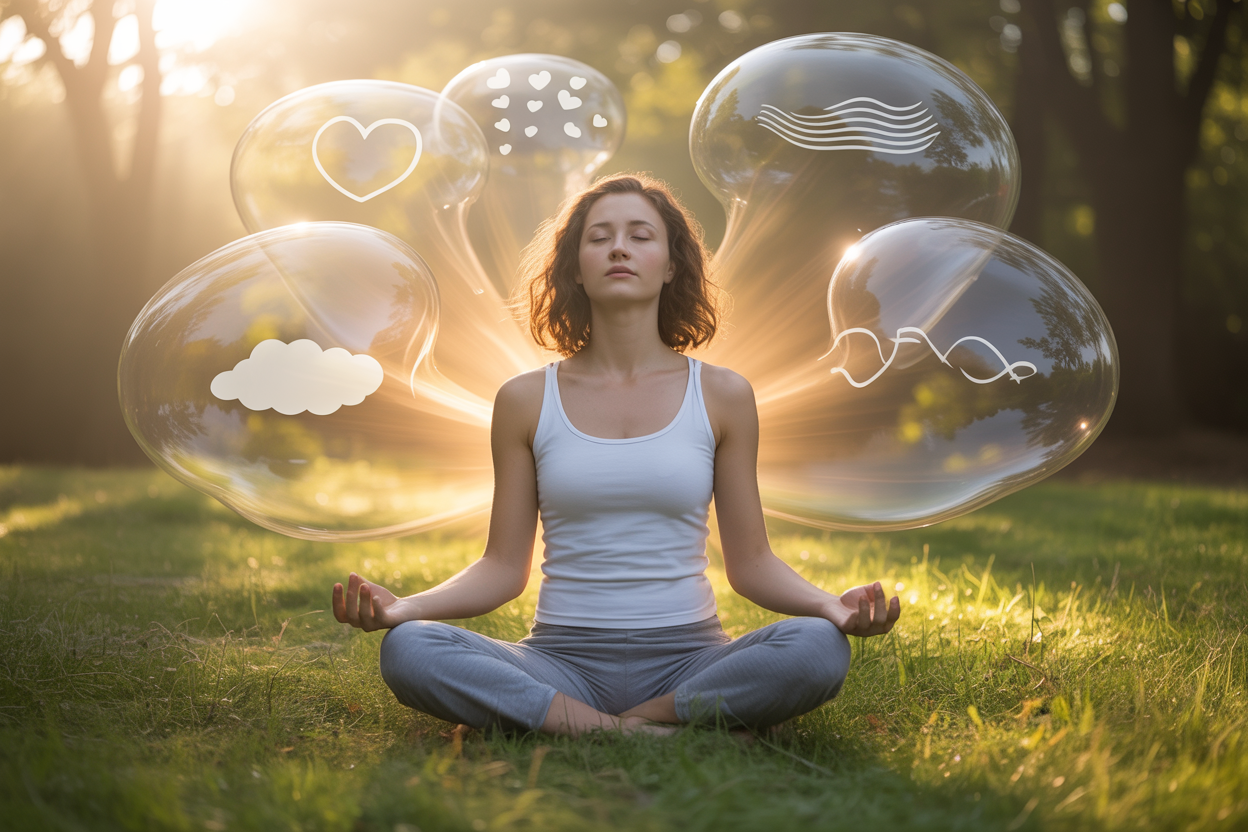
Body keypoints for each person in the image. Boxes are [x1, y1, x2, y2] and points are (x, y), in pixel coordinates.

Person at [332, 173, 901, 737]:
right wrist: (405, 609)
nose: (620, 247)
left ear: (672, 264)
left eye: (640, 235)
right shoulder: (525, 400)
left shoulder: (724, 395)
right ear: (576, 268)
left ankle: (628, 719)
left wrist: (833, 609)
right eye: (599, 237)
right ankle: (632, 732)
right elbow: (503, 568)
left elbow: (752, 564)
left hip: (690, 661)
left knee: (817, 648)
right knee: (410, 648)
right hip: (560, 661)